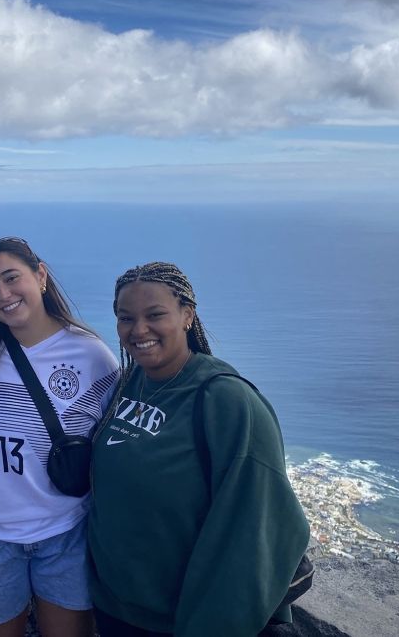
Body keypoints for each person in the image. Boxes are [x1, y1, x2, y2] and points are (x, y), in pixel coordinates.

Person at [87, 262, 310, 636]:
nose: (138, 330)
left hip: (180, 620)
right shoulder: (132, 382)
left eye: (154, 315)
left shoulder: (227, 399)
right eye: (126, 318)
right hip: (116, 610)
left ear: (187, 315)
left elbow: (253, 528)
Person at [0, 237, 119, 637]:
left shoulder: (91, 355)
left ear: (40, 275)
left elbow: (116, 443)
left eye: (12, 278)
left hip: (66, 533)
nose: (2, 294)